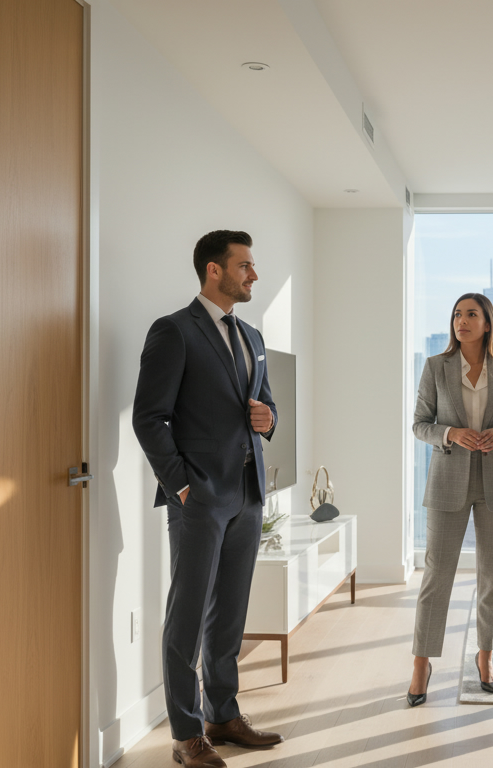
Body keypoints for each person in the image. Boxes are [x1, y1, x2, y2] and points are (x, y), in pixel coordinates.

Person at [132, 230, 283, 768]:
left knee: (230, 613)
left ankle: (223, 713)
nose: (254, 274)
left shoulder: (252, 337)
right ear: (214, 271)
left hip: (247, 493)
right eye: (245, 265)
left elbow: (261, 407)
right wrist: (182, 484)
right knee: (188, 614)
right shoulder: (174, 331)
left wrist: (267, 420)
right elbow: (149, 417)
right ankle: (185, 732)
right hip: (199, 496)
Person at [408, 293, 493, 706]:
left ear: (488, 323)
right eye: (457, 314)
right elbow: (419, 425)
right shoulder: (435, 367)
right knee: (436, 576)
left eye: (471, 314)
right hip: (446, 481)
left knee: (491, 578)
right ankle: (422, 663)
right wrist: (451, 433)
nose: (462, 321)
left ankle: (486, 656)